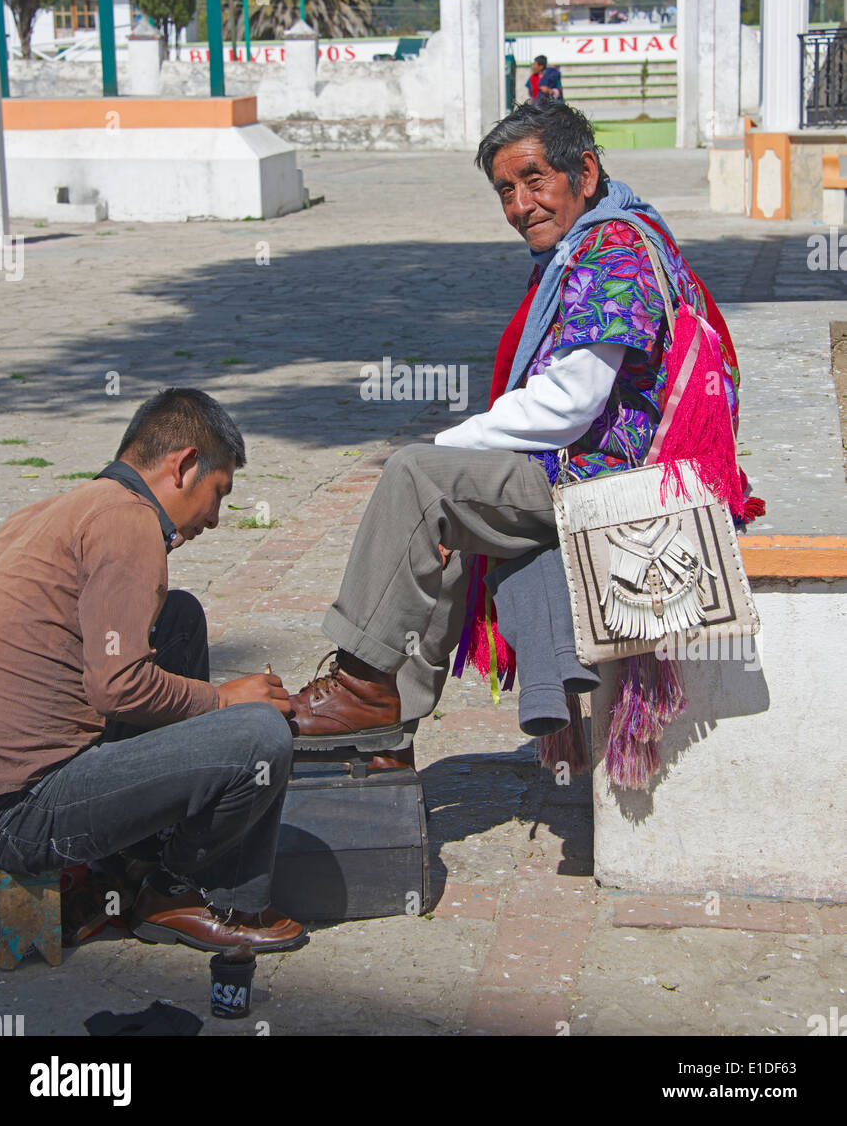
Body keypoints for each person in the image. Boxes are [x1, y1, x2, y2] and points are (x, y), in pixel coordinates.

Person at [284, 100, 757, 753]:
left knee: (419, 481)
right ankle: (387, 721)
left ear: (584, 173)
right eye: (505, 190)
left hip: (612, 482)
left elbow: (568, 402)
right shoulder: (604, 235)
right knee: (441, 528)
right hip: (598, 467)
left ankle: (365, 687)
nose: (519, 205)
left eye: (535, 181)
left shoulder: (610, 252)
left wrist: (445, 447)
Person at [0, 388, 305, 955]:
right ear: (183, 465)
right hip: (23, 814)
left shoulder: (58, 509)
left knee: (179, 618)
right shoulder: (128, 523)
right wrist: (225, 701)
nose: (216, 518)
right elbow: (119, 683)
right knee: (261, 735)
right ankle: (188, 891)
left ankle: (132, 864)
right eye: (217, 493)